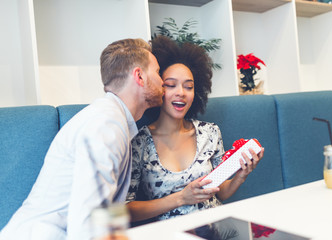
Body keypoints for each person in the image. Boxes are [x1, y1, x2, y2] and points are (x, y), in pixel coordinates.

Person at [0, 38, 164, 240]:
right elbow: (89, 227)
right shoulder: (106, 126)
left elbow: (106, 212)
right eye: (157, 72)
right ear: (139, 76)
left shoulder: (112, 120)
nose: (162, 80)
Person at [126, 36, 264, 223]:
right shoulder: (139, 142)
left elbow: (220, 193)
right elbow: (127, 210)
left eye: (188, 86)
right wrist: (180, 198)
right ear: (158, 87)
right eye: (171, 85)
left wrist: (241, 175)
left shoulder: (210, 133)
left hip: (216, 226)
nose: (181, 92)